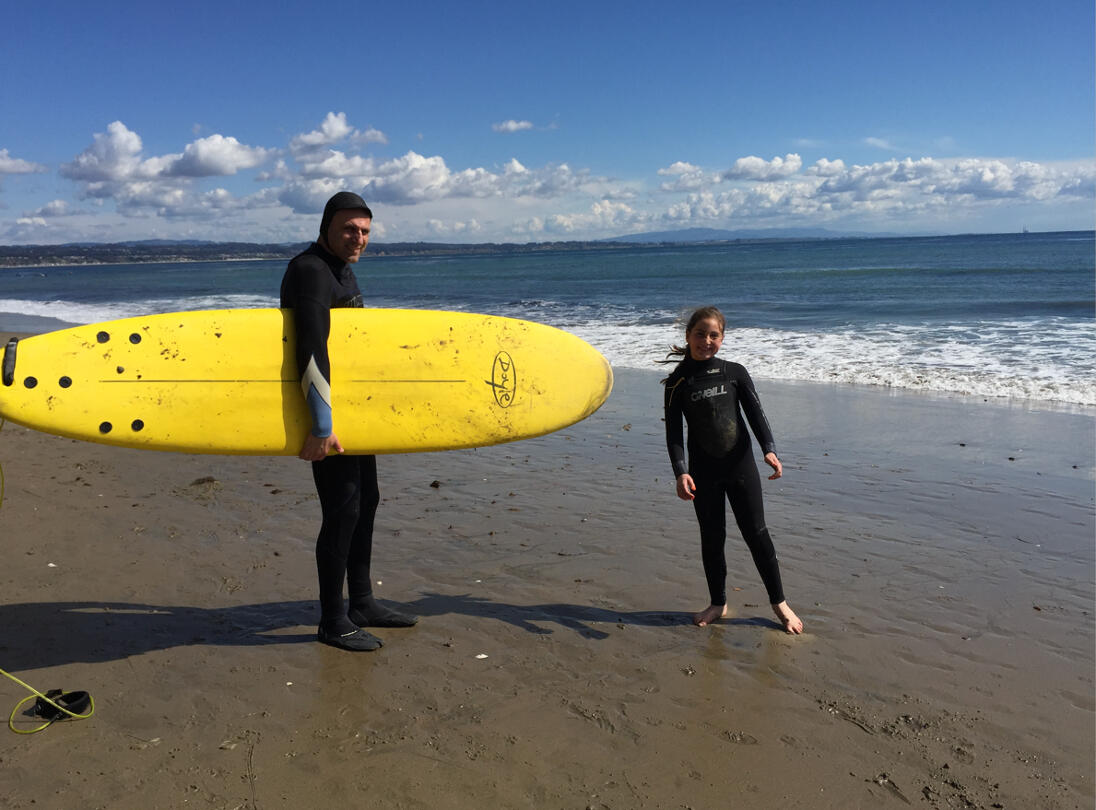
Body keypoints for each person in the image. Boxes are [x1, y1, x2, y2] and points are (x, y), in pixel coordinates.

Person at [280, 191, 418, 652]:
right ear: (326, 226)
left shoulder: (340, 267)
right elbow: (311, 351)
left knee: (367, 500)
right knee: (342, 511)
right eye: (349, 230)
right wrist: (320, 426)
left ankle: (361, 601)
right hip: (325, 415)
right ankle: (332, 619)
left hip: (353, 411)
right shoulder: (310, 271)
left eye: (364, 232)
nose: (358, 238)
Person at [662, 306, 803, 634]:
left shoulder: (735, 372)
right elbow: (673, 434)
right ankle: (718, 602)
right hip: (702, 472)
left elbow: (757, 415)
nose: (706, 341)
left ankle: (779, 603)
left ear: (722, 339)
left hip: (741, 467)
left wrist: (770, 450)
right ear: (688, 336)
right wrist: (680, 472)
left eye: (714, 335)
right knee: (712, 538)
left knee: (757, 533)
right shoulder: (677, 383)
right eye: (700, 334)